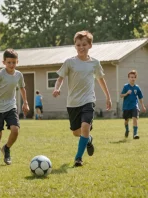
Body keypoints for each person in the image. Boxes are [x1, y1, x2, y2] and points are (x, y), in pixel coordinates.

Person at [52, 30, 112, 167]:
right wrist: (57, 88)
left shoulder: (95, 63)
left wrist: (108, 97)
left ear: (90, 45)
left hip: (88, 100)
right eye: (78, 45)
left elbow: (101, 80)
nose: (81, 47)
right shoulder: (69, 62)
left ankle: (78, 158)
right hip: (73, 103)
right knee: (76, 132)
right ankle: (88, 140)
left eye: (84, 44)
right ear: (75, 46)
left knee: (86, 126)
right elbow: (60, 78)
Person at [0, 48, 30, 165]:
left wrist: (25, 102)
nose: (11, 64)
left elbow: (22, 88)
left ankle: (7, 148)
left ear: (17, 62)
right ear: (4, 62)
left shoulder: (19, 75)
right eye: (9, 62)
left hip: (11, 106)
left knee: (15, 130)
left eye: (14, 62)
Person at [120, 70, 146, 139]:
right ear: (128, 78)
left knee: (135, 118)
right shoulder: (125, 87)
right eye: (131, 77)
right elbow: (121, 95)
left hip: (134, 106)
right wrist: (126, 93)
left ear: (135, 78)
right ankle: (127, 130)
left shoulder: (137, 88)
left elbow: (140, 97)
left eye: (134, 77)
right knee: (126, 120)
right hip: (126, 107)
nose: (133, 79)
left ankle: (135, 134)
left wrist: (143, 106)